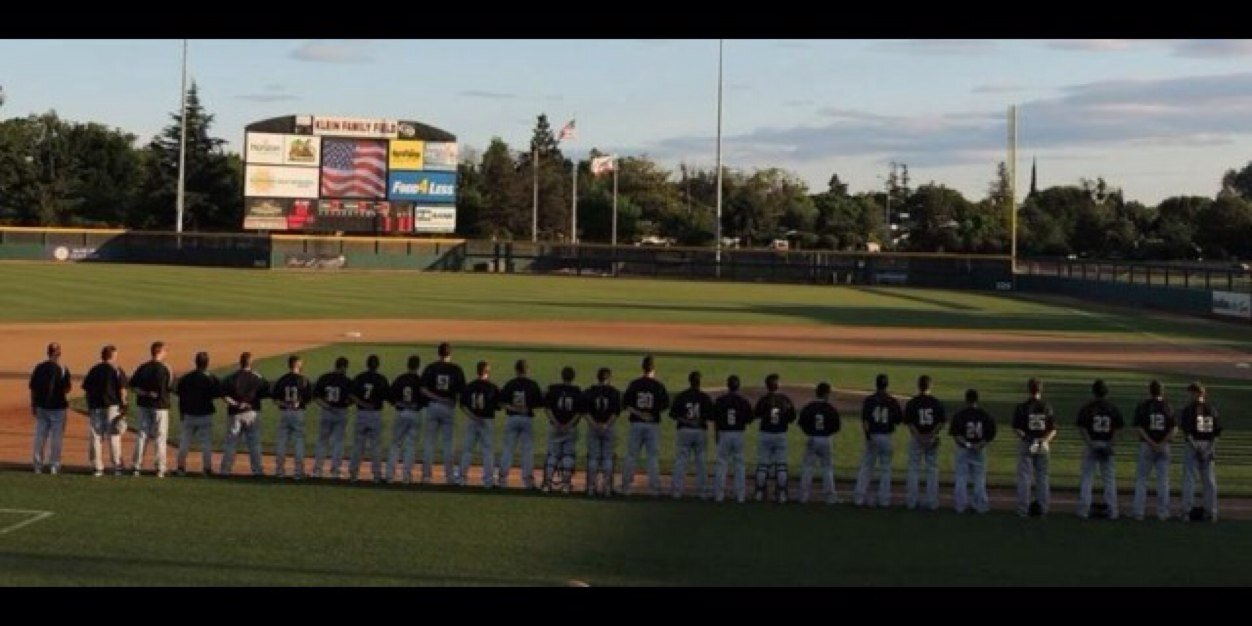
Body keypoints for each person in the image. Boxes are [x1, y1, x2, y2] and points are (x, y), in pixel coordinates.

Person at [1075, 379, 1124, 519]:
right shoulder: (1113, 408)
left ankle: (1083, 510)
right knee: (1109, 479)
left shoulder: (1087, 408)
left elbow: (1082, 427)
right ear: (1107, 392)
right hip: (1107, 444)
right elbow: (1118, 429)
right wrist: (1110, 445)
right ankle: (1112, 511)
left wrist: (1090, 443)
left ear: (1093, 392)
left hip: (1092, 444)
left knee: (1087, 478)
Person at [622, 355, 670, 496]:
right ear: (654, 369)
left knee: (631, 455)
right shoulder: (658, 386)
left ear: (642, 368)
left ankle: (626, 487)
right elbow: (665, 405)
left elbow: (626, 404)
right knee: (653, 456)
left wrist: (639, 414)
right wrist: (651, 413)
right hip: (652, 424)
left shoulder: (634, 384)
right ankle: (654, 488)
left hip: (636, 423)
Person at [853, 374, 902, 507]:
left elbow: (864, 421)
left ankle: (859, 498)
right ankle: (884, 500)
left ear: (876, 384)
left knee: (866, 467)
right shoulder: (892, 401)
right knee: (886, 469)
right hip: (886, 436)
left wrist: (868, 436)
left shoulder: (869, 400)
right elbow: (898, 420)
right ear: (887, 385)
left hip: (872, 435)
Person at [421, 342, 467, 485]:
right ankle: (449, 477)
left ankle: (426, 476)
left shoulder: (431, 368)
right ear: (450, 354)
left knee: (429, 443)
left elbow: (423, 389)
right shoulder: (456, 369)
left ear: (438, 353)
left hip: (433, 407)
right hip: (448, 408)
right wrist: (449, 400)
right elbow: (461, 393)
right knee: (448, 444)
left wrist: (436, 398)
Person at [80, 344, 128, 476]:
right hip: (112, 407)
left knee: (96, 436)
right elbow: (122, 390)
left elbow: (87, 389)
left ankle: (97, 467)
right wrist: (124, 406)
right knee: (114, 436)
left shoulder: (94, 370)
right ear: (113, 356)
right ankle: (117, 466)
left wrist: (89, 406)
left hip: (96, 406)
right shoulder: (117, 370)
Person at [220, 352, 269, 478]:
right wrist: (250, 402)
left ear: (240, 362)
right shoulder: (258, 377)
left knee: (231, 443)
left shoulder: (231, 377)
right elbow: (265, 393)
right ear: (250, 362)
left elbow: (224, 396)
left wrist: (236, 404)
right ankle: (257, 470)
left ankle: (225, 470)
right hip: (252, 413)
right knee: (254, 443)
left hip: (235, 413)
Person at [1012, 378, 1057, 517]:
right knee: (1042, 477)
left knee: (1024, 478)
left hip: (1027, 444)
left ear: (1028, 389)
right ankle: (1043, 508)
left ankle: (1023, 509)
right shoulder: (1047, 406)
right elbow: (1053, 429)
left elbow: (1017, 428)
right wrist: (1044, 441)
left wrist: (1028, 439)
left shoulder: (1022, 407)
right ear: (1041, 390)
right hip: (1043, 445)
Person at [1132, 380, 1175, 521]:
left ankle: (1138, 512)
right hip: (1164, 447)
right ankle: (1163, 513)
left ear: (1149, 391)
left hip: (1146, 446)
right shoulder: (1168, 406)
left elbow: (1138, 427)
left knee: (1142, 480)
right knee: (1163, 481)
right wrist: (1162, 443)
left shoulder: (1143, 406)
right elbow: (1174, 428)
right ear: (1162, 391)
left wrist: (1150, 442)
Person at [498, 359, 544, 489]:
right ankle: (528, 482)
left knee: (508, 449)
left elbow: (501, 403)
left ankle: (502, 480)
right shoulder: (532, 384)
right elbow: (539, 403)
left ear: (516, 370)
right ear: (527, 370)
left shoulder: (510, 384)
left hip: (512, 419)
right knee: (527, 451)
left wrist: (513, 408)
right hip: (526, 419)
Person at [129, 341, 173, 478]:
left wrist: (145, 393)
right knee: (160, 437)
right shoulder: (165, 368)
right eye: (165, 351)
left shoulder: (143, 367)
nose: (166, 353)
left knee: (142, 435)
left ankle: (136, 467)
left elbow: (133, 386)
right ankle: (160, 468)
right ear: (160, 352)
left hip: (144, 405)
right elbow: (170, 387)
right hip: (160, 406)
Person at [903, 374, 947, 510]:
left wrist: (919, 436)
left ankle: (911, 501)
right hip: (931, 439)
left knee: (913, 468)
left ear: (918, 386)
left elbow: (909, 423)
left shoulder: (912, 402)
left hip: (916, 439)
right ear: (930, 386)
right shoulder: (936, 402)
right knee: (932, 469)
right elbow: (941, 422)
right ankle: (932, 502)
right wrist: (930, 435)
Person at [1179, 381, 1222, 522]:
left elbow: (1187, 432)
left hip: (1193, 446)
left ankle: (1186, 512)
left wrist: (1196, 448)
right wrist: (1209, 449)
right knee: (1209, 481)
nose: (1190, 395)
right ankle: (1212, 512)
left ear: (1198, 393)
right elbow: (1217, 433)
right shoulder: (1212, 409)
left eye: (1191, 393)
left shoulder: (1189, 410)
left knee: (1189, 480)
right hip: (1208, 446)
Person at [950, 388, 996, 514]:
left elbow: (956, 434)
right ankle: (980, 505)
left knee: (961, 478)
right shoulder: (985, 415)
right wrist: (980, 444)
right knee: (979, 478)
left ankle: (960, 505)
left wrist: (968, 444)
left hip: (963, 449)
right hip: (979, 450)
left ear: (966, 400)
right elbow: (990, 434)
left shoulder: (960, 415)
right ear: (977, 400)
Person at [174, 351, 220, 477]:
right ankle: (206, 469)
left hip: (188, 415)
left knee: (184, 443)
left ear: (196, 362)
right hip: (205, 415)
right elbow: (218, 393)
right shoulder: (211, 378)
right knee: (206, 444)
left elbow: (180, 395)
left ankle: (181, 468)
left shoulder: (186, 378)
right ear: (207, 363)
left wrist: (181, 412)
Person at [29, 342, 72, 475]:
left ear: (48, 352)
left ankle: (37, 466)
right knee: (56, 437)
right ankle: (54, 466)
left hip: (41, 407)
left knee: (39, 437)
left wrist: (33, 404)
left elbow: (33, 388)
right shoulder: (63, 369)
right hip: (58, 408)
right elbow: (67, 389)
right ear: (59, 353)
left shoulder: (39, 367)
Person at [669, 371, 714, 500]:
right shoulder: (704, 397)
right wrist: (698, 422)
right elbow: (711, 416)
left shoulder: (682, 396)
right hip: (700, 431)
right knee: (701, 462)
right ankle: (702, 492)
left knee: (681, 461)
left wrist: (687, 421)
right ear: (699, 382)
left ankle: (677, 491)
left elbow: (673, 415)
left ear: (689, 381)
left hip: (684, 431)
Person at [754, 373, 797, 503]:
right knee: (781, 465)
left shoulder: (763, 400)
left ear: (767, 386)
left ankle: (759, 494)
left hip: (765, 434)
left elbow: (756, 414)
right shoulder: (785, 400)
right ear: (777, 385)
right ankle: (782, 494)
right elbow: (792, 418)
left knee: (762, 464)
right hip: (780, 434)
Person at [712, 375, 754, 503]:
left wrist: (716, 435)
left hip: (724, 433)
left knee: (721, 464)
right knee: (739, 465)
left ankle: (719, 495)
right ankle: (740, 496)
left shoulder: (720, 400)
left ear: (728, 385)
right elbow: (749, 419)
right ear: (738, 386)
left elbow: (715, 420)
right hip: (738, 434)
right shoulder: (743, 401)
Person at [797, 382, 840, 504]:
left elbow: (801, 424)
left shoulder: (809, 407)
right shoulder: (830, 409)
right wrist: (827, 433)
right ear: (826, 394)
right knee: (827, 468)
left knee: (808, 467)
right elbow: (836, 427)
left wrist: (810, 433)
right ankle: (830, 497)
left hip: (812, 438)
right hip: (826, 439)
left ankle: (803, 497)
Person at [459, 360, 500, 488]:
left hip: (472, 420)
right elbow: (498, 406)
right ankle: (488, 481)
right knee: (487, 451)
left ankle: (462, 479)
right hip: (486, 421)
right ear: (487, 372)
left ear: (477, 371)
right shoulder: (492, 387)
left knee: (467, 450)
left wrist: (473, 416)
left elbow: (463, 405)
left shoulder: (469, 386)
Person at [581, 367, 621, 497]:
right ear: (608, 378)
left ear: (597, 377)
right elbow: (615, 413)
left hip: (593, 427)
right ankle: (607, 489)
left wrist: (594, 424)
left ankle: (591, 488)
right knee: (608, 459)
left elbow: (585, 412)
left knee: (593, 458)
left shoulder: (589, 391)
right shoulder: (614, 392)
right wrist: (606, 425)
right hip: (608, 428)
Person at [349, 355, 390, 483]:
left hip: (361, 413)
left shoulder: (360, 377)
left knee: (358, 445)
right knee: (375, 446)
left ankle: (353, 475)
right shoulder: (381, 379)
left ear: (367, 364)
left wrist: (362, 402)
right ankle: (376, 476)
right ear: (377, 365)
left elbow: (351, 395)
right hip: (375, 414)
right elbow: (387, 396)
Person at [386, 355, 426, 484]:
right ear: (418, 366)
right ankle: (406, 477)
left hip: (401, 413)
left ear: (407, 364)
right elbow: (424, 400)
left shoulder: (400, 379)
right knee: (410, 446)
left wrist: (399, 404)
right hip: (414, 414)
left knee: (395, 444)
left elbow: (390, 396)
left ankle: (389, 475)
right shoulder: (420, 381)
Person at [271, 355, 312, 480]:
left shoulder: (282, 379)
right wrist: (299, 403)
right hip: (298, 413)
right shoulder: (304, 380)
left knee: (282, 442)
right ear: (297, 364)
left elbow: (275, 399)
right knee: (299, 442)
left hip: (284, 413)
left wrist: (285, 404)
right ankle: (298, 473)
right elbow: (309, 398)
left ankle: (279, 471)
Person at [542, 366, 582, 493]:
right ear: (573, 377)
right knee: (568, 456)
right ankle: (565, 485)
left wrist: (556, 423)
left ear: (562, 376)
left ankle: (547, 484)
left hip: (555, 427)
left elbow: (547, 409)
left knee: (553, 455)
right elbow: (578, 412)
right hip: (570, 428)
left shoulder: (553, 389)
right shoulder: (577, 391)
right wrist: (568, 424)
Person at [312, 357, 354, 479]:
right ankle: (335, 470)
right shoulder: (347, 381)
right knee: (338, 442)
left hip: (326, 412)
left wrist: (327, 406)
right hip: (341, 412)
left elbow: (316, 397)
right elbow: (352, 399)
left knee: (322, 442)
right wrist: (344, 404)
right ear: (343, 367)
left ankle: (317, 469)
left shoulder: (324, 378)